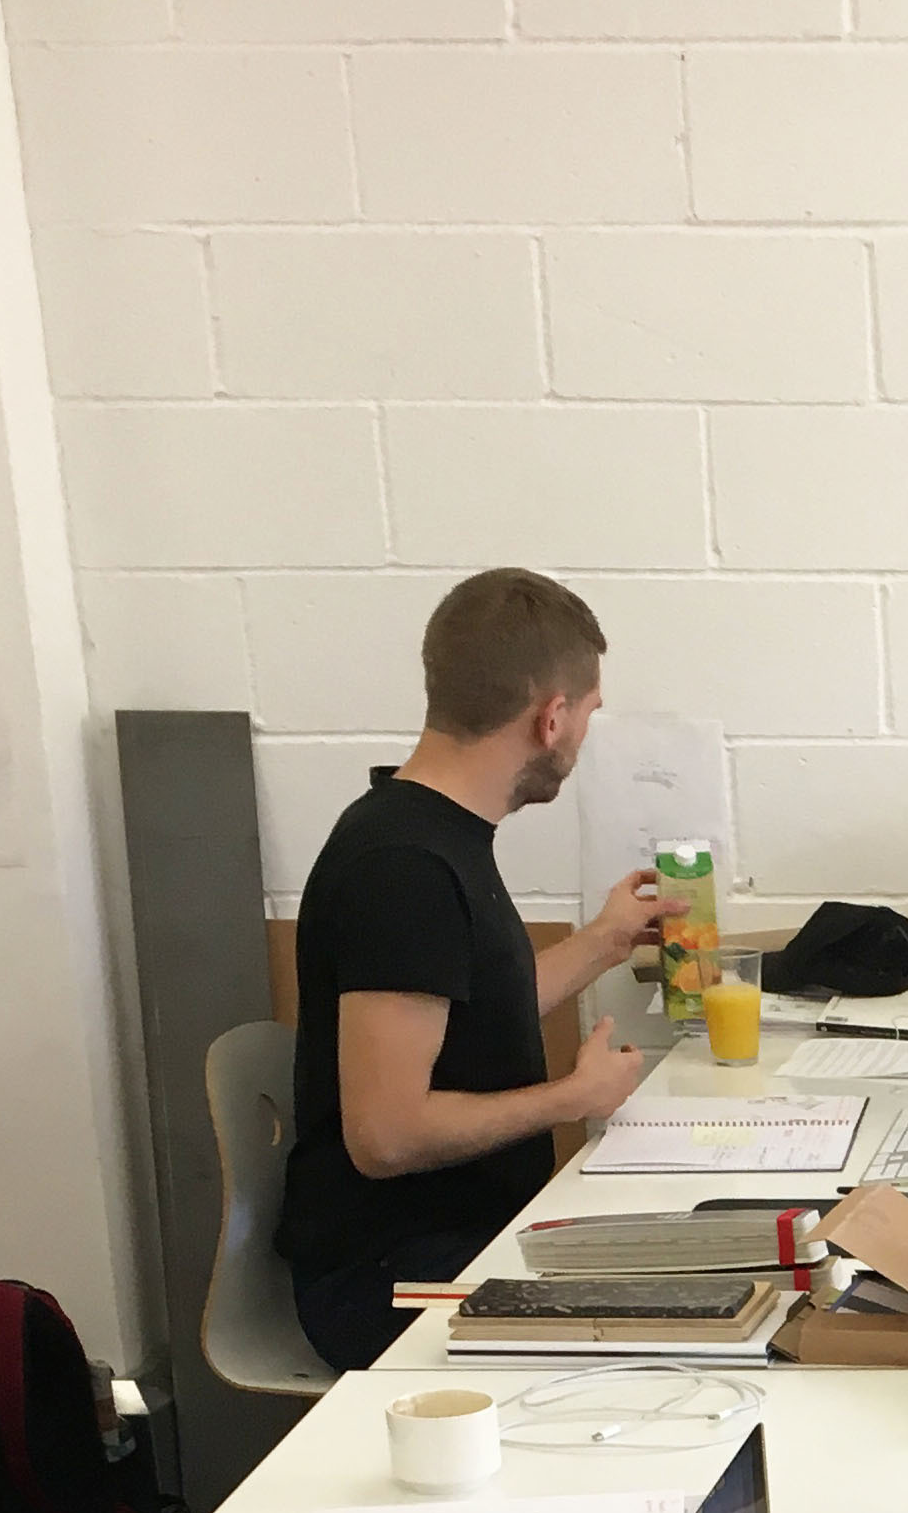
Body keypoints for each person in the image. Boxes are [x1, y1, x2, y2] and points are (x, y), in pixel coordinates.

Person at [278, 569, 664, 1371]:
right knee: (659, 1333)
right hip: (388, 1280)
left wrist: (604, 940)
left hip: (456, 1241)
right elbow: (383, 1137)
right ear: (550, 718)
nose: (583, 738)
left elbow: (477, 1010)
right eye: (587, 716)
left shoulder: (436, 833)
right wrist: (571, 1098)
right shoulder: (404, 867)